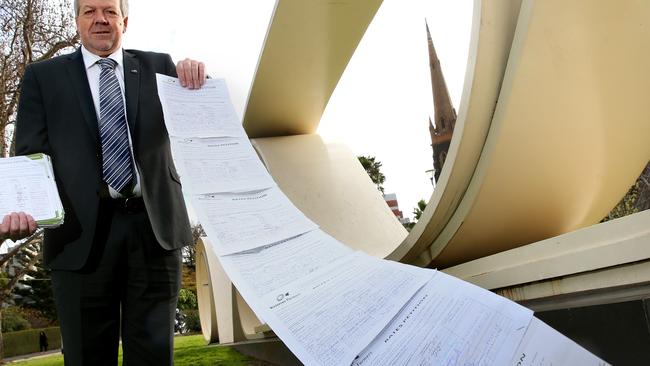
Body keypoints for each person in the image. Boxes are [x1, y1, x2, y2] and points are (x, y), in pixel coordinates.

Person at [15, 0, 205, 364]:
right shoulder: (44, 77)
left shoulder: (159, 67)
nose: (100, 19)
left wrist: (197, 77)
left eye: (109, 11)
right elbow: (29, 157)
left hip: (154, 233)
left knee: (153, 356)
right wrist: (22, 209)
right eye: (89, 11)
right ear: (77, 21)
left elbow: (202, 119)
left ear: (125, 21)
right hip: (79, 238)